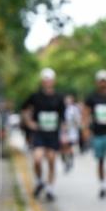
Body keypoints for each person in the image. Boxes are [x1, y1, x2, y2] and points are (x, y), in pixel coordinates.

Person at [21, 68, 65, 201]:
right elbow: (24, 109)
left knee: (51, 159)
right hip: (39, 133)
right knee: (37, 158)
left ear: (53, 81)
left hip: (53, 133)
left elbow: (63, 118)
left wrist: (64, 134)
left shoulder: (59, 97)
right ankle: (40, 181)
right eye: (45, 79)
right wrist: (29, 123)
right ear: (42, 81)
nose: (47, 82)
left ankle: (50, 189)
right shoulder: (35, 96)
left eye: (49, 79)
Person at [84, 70, 106, 198]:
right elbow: (86, 113)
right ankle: (102, 184)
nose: (103, 83)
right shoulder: (92, 97)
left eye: (105, 81)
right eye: (100, 81)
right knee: (100, 160)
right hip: (97, 133)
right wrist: (85, 129)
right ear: (97, 82)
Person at [60, 94, 81, 173]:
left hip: (72, 131)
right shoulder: (61, 108)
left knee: (69, 146)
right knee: (63, 147)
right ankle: (65, 160)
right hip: (63, 131)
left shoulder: (74, 109)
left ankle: (70, 161)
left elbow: (78, 120)